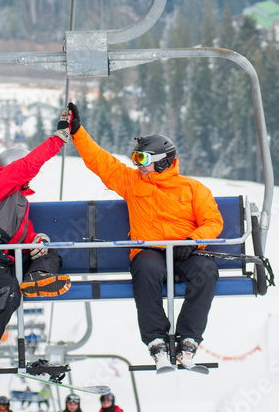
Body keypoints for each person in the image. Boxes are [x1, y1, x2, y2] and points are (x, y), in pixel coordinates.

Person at [66, 102, 223, 371]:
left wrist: (193, 241)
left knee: (206, 271)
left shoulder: (192, 188)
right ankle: (156, 341)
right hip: (148, 249)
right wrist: (77, 132)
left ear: (162, 161)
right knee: (146, 268)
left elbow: (212, 221)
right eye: (135, 159)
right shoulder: (131, 182)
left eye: (142, 160)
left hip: (184, 249)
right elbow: (100, 162)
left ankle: (189, 339)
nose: (137, 165)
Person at [0, 110, 74, 366]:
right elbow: (28, 164)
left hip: (7, 262)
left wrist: (38, 242)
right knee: (8, 291)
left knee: (51, 252)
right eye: (24, 173)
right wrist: (56, 140)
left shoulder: (19, 201)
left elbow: (27, 233)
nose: (29, 177)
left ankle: (38, 278)